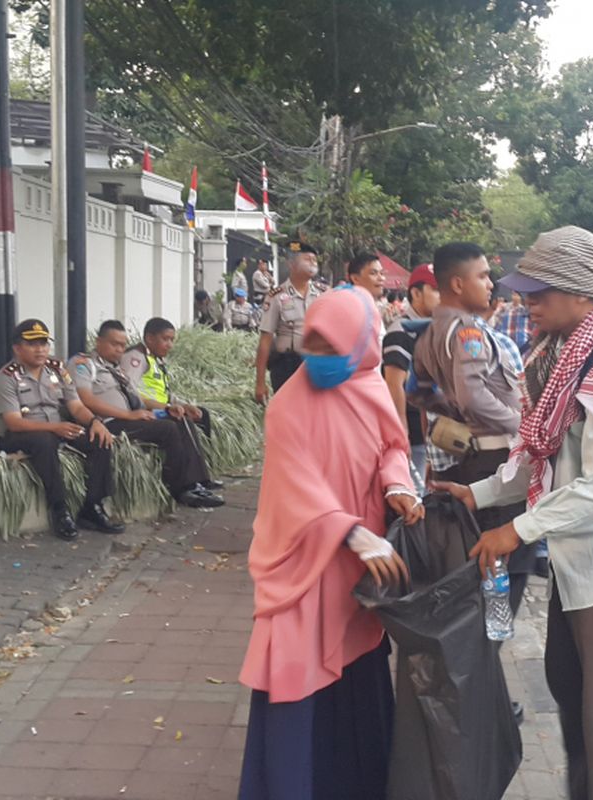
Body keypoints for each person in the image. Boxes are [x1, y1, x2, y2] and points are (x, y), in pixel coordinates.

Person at [438, 226, 593, 800]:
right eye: (525, 290)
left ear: (580, 293)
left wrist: (515, 531)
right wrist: (477, 496)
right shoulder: (558, 357)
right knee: (575, 705)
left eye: (540, 291)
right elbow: (538, 456)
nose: (527, 301)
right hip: (579, 562)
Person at [238, 286, 422, 800]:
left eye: (329, 347)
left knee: (356, 666)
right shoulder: (287, 407)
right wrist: (351, 532)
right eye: (310, 345)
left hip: (360, 570)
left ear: (362, 344)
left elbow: (392, 447)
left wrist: (399, 486)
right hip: (306, 563)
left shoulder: (371, 389)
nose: (315, 357)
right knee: (295, 671)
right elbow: (295, 487)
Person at [410, 242, 534, 605]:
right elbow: (473, 396)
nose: (491, 284)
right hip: (495, 463)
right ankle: (478, 658)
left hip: (473, 461)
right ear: (458, 285)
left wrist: (451, 411)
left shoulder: (430, 333)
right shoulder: (469, 333)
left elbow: (416, 391)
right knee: (503, 581)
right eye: (482, 276)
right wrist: (522, 425)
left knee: (481, 578)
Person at [0, 319, 124, 540]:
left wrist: (94, 423)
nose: (41, 349)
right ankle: (60, 510)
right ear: (17, 348)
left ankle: (93, 507)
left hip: (55, 429)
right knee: (44, 441)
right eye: (33, 344)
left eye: (44, 343)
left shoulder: (58, 369)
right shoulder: (7, 377)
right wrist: (56, 427)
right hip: (19, 434)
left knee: (98, 440)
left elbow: (76, 405)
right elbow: (14, 422)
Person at [71, 321, 224, 508]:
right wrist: (130, 416)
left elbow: (139, 399)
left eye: (122, 345)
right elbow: (85, 399)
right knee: (167, 429)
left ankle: (195, 483)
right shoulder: (83, 364)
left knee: (178, 418)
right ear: (98, 341)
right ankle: (182, 489)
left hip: (130, 418)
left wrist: (168, 407)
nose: (120, 349)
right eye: (114, 344)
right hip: (109, 423)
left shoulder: (116, 369)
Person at [382, 264, 441, 493]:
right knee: (416, 491)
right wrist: (401, 433)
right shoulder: (401, 331)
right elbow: (394, 385)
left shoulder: (435, 328)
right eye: (436, 290)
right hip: (413, 430)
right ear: (416, 294)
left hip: (434, 428)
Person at [120, 318, 216, 443]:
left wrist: (184, 405)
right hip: (148, 411)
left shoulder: (156, 359)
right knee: (182, 422)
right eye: (165, 339)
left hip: (163, 408)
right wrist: (167, 407)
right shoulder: (136, 357)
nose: (170, 345)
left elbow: (164, 392)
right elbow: (130, 393)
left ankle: (204, 457)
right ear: (149, 338)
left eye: (172, 340)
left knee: (202, 414)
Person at [255, 239, 326, 402]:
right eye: (307, 259)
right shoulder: (276, 296)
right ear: (291, 264)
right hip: (287, 367)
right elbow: (265, 340)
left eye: (314, 260)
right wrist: (259, 382)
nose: (313, 263)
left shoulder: (323, 294)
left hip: (317, 365)